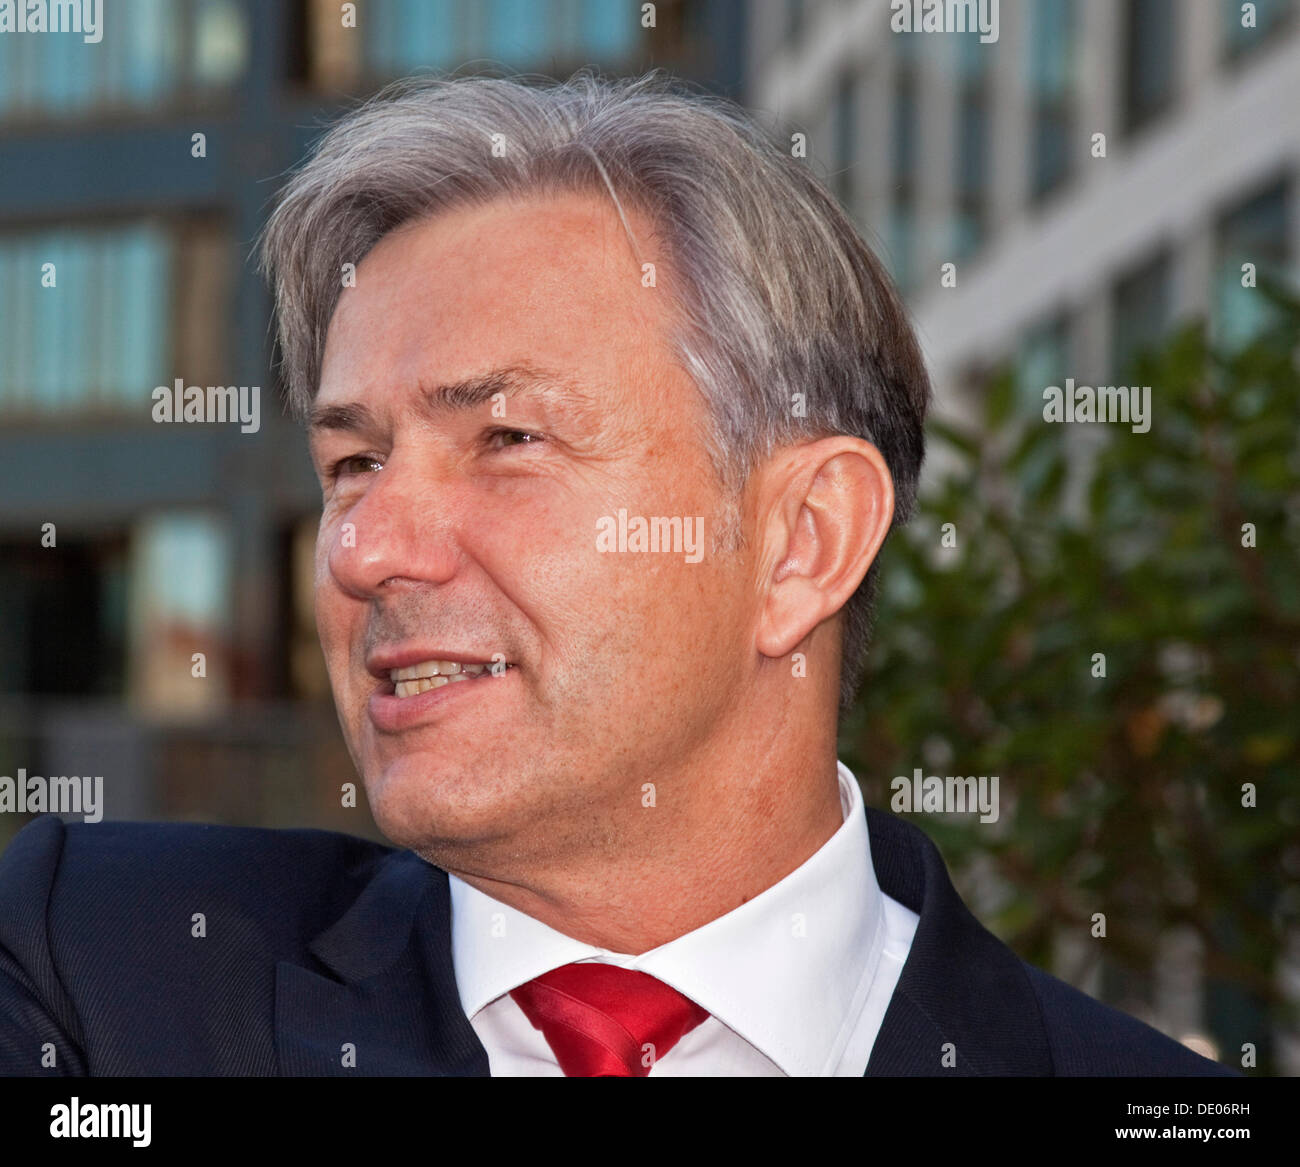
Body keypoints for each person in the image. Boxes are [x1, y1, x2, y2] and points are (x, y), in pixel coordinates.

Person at [0, 71, 1233, 1077]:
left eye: (508, 441)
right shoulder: (97, 976)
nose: (365, 548)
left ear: (802, 543)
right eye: (354, 459)